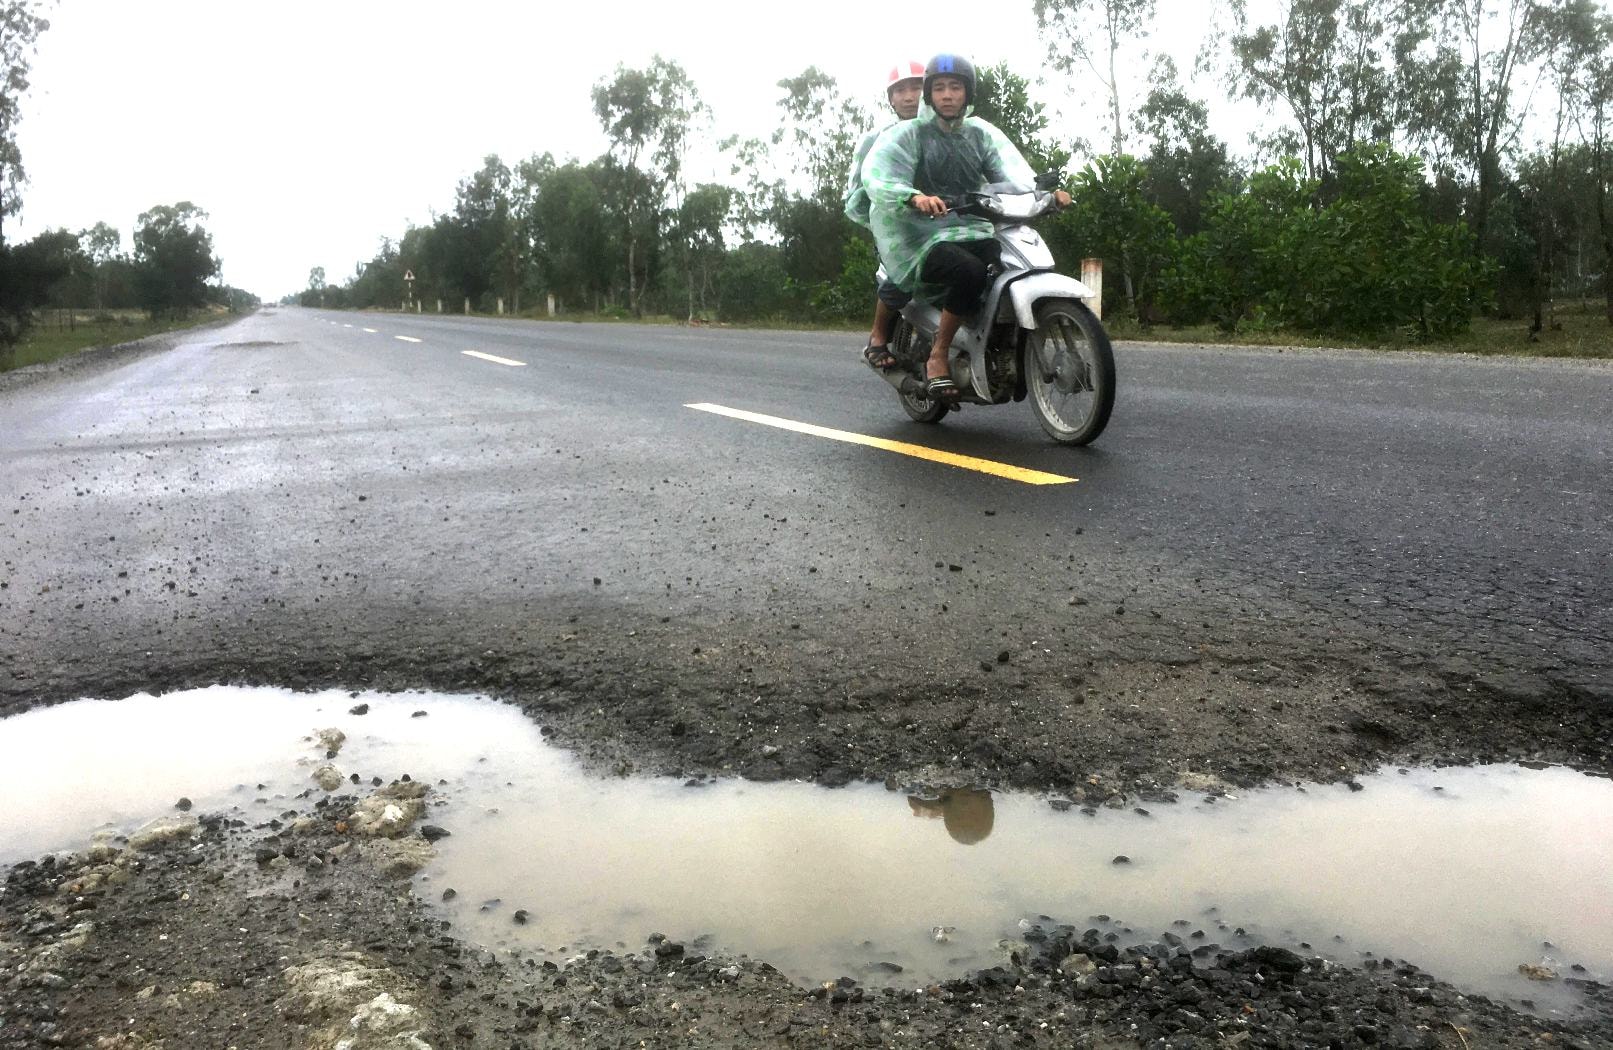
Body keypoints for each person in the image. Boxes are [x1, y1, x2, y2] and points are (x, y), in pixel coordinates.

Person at [862, 53, 1071, 399]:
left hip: (968, 223)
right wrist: (914, 197)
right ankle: (938, 354)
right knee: (969, 271)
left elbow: (1013, 174)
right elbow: (879, 175)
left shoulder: (981, 134)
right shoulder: (908, 134)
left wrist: (1046, 193)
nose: (947, 95)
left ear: (967, 94)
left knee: (999, 260)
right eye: (939, 88)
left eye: (955, 87)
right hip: (916, 230)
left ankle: (982, 332)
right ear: (931, 95)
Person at [845, 59, 926, 371]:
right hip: (896, 221)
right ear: (891, 99)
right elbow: (856, 190)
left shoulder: (946, 131)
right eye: (901, 90)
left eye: (916, 87)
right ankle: (878, 338)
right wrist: (886, 216)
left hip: (944, 216)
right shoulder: (876, 138)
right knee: (901, 271)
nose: (909, 96)